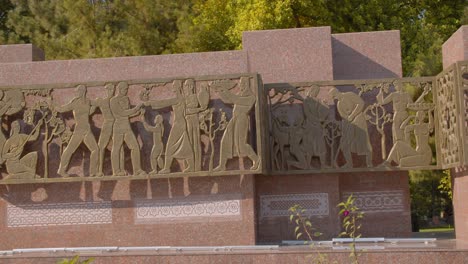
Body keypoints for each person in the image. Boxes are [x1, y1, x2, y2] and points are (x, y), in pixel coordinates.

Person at [144, 80, 194, 173]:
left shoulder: (178, 99)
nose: (173, 88)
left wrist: (149, 103)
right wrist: (150, 103)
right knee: (185, 144)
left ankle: (167, 168)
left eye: (174, 86)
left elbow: (163, 103)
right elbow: (163, 103)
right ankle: (190, 166)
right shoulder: (181, 98)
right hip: (180, 123)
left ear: (178, 87)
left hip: (179, 124)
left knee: (170, 145)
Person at [213, 77, 260, 171]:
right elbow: (227, 100)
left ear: (246, 84)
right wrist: (220, 90)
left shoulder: (251, 97)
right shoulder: (241, 94)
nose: (240, 85)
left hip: (241, 120)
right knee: (225, 141)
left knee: (241, 145)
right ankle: (222, 165)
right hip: (234, 120)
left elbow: (235, 99)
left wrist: (225, 89)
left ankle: (257, 159)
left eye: (242, 83)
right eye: (240, 83)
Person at [56, 85, 99, 177]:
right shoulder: (75, 102)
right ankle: (61, 170)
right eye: (77, 91)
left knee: (95, 150)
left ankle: (93, 172)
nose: (78, 93)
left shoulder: (87, 101)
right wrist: (52, 104)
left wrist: (95, 106)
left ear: (83, 91)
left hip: (87, 130)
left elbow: (88, 112)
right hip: (79, 130)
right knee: (70, 150)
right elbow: (62, 109)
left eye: (79, 91)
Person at [329, 88, 373, 168]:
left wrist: (352, 115)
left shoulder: (349, 94)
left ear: (337, 92)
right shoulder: (339, 104)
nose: (335, 98)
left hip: (359, 122)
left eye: (334, 96)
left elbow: (361, 103)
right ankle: (349, 164)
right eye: (333, 97)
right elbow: (344, 117)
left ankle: (369, 164)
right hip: (350, 125)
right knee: (344, 144)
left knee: (365, 142)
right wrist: (347, 121)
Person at [110, 82, 145, 176]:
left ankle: (137, 170)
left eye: (127, 89)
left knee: (135, 147)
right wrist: (136, 108)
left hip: (127, 127)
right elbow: (121, 113)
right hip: (118, 128)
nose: (126, 91)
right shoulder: (113, 100)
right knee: (117, 148)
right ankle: (116, 171)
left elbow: (128, 115)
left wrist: (138, 112)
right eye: (124, 89)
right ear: (119, 89)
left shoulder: (126, 99)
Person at [93, 83, 123, 176]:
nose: (112, 91)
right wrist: (95, 104)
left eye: (113, 90)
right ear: (106, 90)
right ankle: (98, 170)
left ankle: (119, 170)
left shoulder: (116, 101)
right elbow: (90, 110)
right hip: (107, 124)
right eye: (110, 90)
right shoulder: (102, 101)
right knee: (101, 146)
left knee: (119, 146)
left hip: (116, 124)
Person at [302, 86, 328, 168]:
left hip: (318, 126)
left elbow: (322, 113)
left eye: (318, 91)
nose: (316, 93)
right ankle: (308, 165)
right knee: (309, 145)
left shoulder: (319, 101)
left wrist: (325, 106)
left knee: (321, 145)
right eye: (315, 91)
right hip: (310, 126)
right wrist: (317, 120)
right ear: (311, 91)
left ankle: (323, 165)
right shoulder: (306, 101)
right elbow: (307, 113)